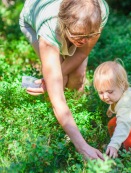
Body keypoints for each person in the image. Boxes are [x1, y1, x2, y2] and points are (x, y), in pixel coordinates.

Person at [19, 0, 109, 160]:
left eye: (90, 36)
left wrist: (52, 79)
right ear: (64, 24)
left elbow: (81, 53)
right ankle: (62, 130)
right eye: (78, 36)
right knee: (59, 81)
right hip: (35, 22)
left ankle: (77, 118)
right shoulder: (49, 29)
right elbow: (58, 100)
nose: (84, 41)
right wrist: (83, 147)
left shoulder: (99, 13)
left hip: (75, 24)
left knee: (78, 76)